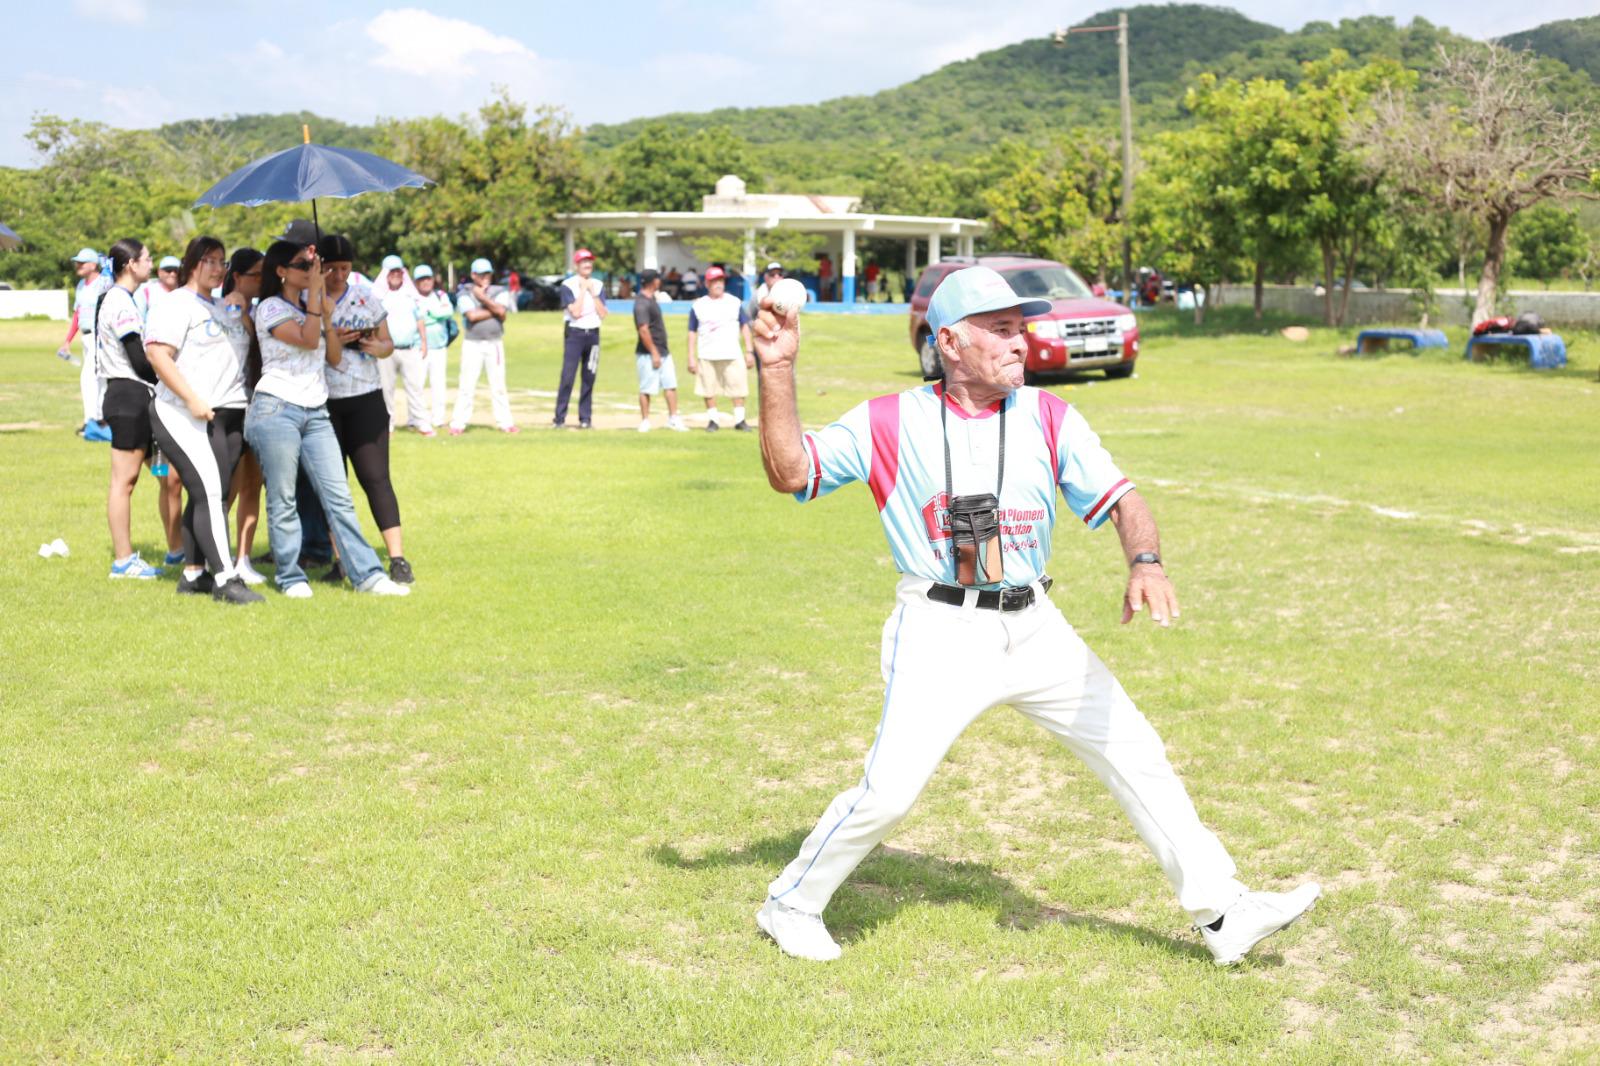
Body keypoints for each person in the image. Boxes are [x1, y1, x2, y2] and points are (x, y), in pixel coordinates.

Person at [747, 266, 1321, 964]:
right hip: (941, 628)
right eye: (1000, 330)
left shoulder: (1052, 416)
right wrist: (776, 370)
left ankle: (1223, 914)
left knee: (1133, 750)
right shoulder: (888, 420)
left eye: (1021, 329)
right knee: (889, 795)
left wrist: (1146, 563)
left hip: (1036, 623)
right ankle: (791, 904)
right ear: (950, 342)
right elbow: (792, 472)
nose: (1021, 343)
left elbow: (1123, 499)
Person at [243, 239, 410, 598]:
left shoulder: (314, 306)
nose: (311, 272)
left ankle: (367, 574)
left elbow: (332, 357)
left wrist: (328, 317)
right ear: (282, 272)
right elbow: (305, 340)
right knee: (284, 497)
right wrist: (318, 304)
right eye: (303, 266)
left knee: (339, 496)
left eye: (311, 266)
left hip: (316, 408)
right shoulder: (270, 308)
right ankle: (291, 577)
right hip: (276, 409)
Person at [143, 236, 263, 606]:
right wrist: (191, 398)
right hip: (181, 413)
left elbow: (247, 347)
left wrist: (240, 310)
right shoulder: (175, 304)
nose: (217, 268)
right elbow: (157, 354)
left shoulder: (222, 306)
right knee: (210, 492)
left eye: (221, 262)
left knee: (208, 495)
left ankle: (194, 573)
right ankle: (226, 579)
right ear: (191, 263)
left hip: (227, 415)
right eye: (209, 260)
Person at [319, 234, 415, 585]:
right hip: (324, 400)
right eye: (331, 269)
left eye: (345, 268)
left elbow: (388, 343)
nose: (339, 275)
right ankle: (340, 558)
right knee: (334, 485)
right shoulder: (308, 300)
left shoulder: (365, 296)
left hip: (366, 397)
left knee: (376, 479)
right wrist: (330, 334)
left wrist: (376, 346)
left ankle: (398, 558)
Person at [94, 238, 164, 579]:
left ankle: (180, 549)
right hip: (128, 396)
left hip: (136, 397)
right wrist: (167, 377)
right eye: (147, 258)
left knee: (168, 475)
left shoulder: (122, 298)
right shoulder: (120, 302)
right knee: (124, 481)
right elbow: (137, 358)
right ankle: (123, 560)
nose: (150, 264)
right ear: (130, 265)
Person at [220, 247, 269, 585]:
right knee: (226, 488)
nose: (263, 280)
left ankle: (243, 559)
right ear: (236, 277)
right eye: (256, 274)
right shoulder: (223, 310)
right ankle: (217, 555)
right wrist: (238, 310)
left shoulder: (265, 310)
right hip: (231, 406)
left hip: (261, 403)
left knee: (253, 484)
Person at [450, 257, 516, 435]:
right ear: (473, 275)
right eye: (480, 274)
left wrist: (482, 298)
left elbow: (503, 312)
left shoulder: (499, 290)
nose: (485, 277)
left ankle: (505, 422)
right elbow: (471, 316)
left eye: (487, 273)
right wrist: (494, 310)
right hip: (472, 343)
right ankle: (458, 423)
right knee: (467, 384)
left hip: (494, 342)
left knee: (498, 385)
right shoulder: (465, 292)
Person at [686, 265, 753, 433]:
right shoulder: (699, 305)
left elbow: (744, 326)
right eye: (714, 281)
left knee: (737, 387)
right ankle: (713, 420)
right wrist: (691, 356)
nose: (718, 284)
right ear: (707, 283)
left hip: (732, 352)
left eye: (721, 280)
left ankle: (740, 419)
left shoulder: (734, 302)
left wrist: (749, 350)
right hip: (707, 353)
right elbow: (692, 331)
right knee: (708, 389)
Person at [373, 253, 432, 435]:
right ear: (386, 274)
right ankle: (387, 424)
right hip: (386, 350)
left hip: (409, 348)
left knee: (415, 387)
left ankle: (420, 422)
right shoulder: (378, 296)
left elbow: (419, 319)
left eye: (399, 272)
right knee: (386, 389)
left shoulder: (410, 294)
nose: (396, 276)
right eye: (392, 272)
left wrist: (423, 342)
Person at [59, 247, 112, 440]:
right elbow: (77, 314)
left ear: (93, 265)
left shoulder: (104, 283)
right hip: (86, 336)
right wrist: (67, 340)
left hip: (100, 337)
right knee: (94, 379)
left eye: (82, 263)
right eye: (77, 262)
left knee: (90, 378)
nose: (78, 266)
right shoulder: (81, 284)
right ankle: (97, 419)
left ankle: (94, 420)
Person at [554, 248, 606, 430]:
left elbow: (603, 313)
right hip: (574, 334)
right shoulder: (568, 285)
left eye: (590, 261)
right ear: (577, 265)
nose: (587, 265)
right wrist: (583, 290)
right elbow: (575, 312)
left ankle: (585, 418)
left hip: (592, 334)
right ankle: (559, 418)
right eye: (584, 262)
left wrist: (593, 292)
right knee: (568, 376)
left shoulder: (598, 285)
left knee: (589, 376)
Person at [632, 269, 687, 433]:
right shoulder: (641, 303)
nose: (659, 282)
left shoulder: (652, 299)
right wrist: (654, 352)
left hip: (664, 351)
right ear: (652, 281)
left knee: (670, 385)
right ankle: (645, 421)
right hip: (648, 353)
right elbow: (643, 330)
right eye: (657, 279)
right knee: (646, 388)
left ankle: (673, 418)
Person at [413, 265, 455, 431]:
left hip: (439, 347)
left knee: (439, 384)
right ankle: (417, 418)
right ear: (416, 282)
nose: (426, 282)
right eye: (422, 279)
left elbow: (447, 311)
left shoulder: (440, 295)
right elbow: (418, 317)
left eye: (428, 278)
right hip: (419, 347)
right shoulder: (413, 297)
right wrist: (434, 314)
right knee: (418, 385)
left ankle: (438, 418)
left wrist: (431, 313)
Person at [135, 256, 182, 321]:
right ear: (159, 272)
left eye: (176, 271)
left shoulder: (185, 292)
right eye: (168, 270)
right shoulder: (147, 291)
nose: (172, 274)